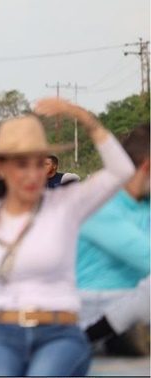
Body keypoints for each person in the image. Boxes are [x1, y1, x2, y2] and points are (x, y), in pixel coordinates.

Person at [0, 98, 135, 376]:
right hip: (0, 334)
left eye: (38, 164)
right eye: (22, 165)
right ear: (1, 168)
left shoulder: (65, 205)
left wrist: (82, 117)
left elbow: (122, 171)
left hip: (59, 335)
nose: (32, 175)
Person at [76, 123, 150, 343]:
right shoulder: (99, 204)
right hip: (94, 310)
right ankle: (95, 338)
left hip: (138, 305)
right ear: (147, 166)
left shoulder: (145, 204)